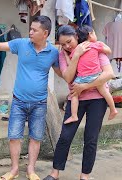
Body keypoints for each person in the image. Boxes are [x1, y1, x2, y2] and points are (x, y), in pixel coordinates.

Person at [0, 16, 62, 180]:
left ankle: (31, 170)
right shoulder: (22, 44)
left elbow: (63, 73)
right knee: (14, 136)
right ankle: (13, 170)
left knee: (36, 137)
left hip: (40, 103)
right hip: (19, 101)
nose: (31, 32)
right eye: (31, 29)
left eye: (35, 30)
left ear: (45, 33)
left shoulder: (53, 53)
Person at [43, 25, 115, 180]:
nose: (67, 46)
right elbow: (68, 78)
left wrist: (85, 86)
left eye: (69, 42)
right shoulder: (64, 55)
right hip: (76, 99)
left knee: (91, 138)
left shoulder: (93, 47)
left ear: (76, 36)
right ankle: (54, 173)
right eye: (63, 44)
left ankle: (85, 176)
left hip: (97, 99)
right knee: (65, 136)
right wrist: (76, 56)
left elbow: (109, 73)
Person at [64, 25, 118, 124]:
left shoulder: (78, 49)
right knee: (105, 92)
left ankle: (74, 115)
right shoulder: (96, 45)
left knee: (74, 94)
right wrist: (102, 46)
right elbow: (108, 51)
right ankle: (113, 109)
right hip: (96, 76)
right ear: (90, 34)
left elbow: (70, 62)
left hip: (82, 78)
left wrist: (65, 55)